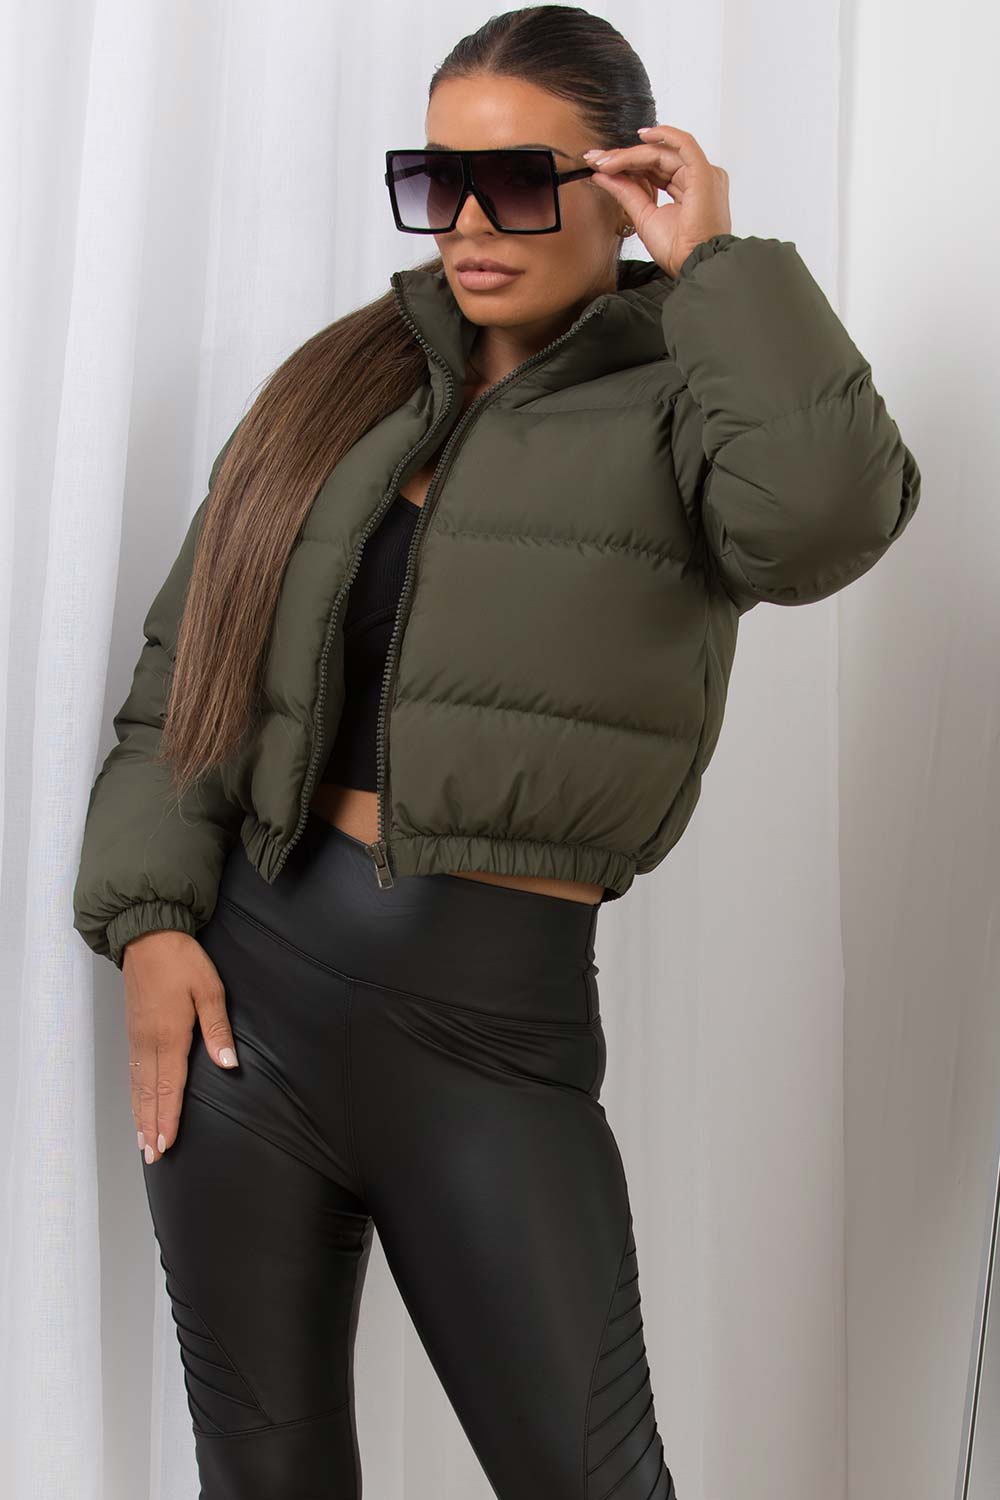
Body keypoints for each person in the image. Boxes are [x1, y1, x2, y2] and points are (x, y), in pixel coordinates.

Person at [71, 6, 921, 1497]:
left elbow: (821, 523)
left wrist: (718, 263)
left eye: (519, 181)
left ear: (627, 179)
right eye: (435, 181)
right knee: (262, 1479)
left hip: (488, 1036)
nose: (468, 223)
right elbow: (181, 684)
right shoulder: (336, 387)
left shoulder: (691, 401)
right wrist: (146, 924)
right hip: (242, 1014)